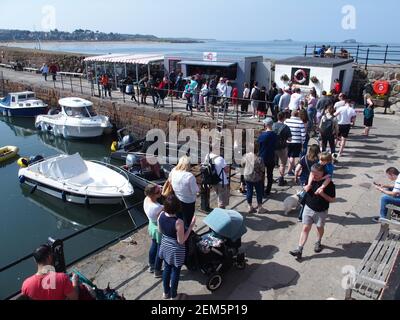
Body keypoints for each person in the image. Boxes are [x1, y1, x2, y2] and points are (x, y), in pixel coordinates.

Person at [290, 164, 336, 260]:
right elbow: (305, 188)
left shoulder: (330, 184)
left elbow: (332, 200)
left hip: (321, 211)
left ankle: (318, 241)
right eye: (313, 174)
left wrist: (322, 193)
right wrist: (305, 188)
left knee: (319, 227)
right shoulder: (311, 178)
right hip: (308, 207)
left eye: (317, 175)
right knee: (305, 228)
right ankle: (299, 249)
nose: (314, 176)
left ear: (323, 173)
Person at [158, 195, 196, 300]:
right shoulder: (178, 222)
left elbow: (160, 230)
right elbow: (181, 240)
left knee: (166, 269)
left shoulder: (161, 215)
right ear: (177, 208)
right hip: (175, 250)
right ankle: (174, 296)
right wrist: (191, 226)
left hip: (165, 245)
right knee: (175, 271)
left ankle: (166, 293)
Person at [169, 156, 199, 229]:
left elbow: (170, 180)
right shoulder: (189, 176)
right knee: (188, 220)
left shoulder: (173, 170)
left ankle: (180, 231)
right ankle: (187, 234)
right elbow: (195, 190)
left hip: (177, 198)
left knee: (179, 217)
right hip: (188, 201)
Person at [144, 184, 164, 278]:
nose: (160, 192)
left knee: (154, 245)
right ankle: (157, 270)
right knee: (160, 249)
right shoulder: (157, 207)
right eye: (158, 192)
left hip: (151, 225)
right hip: (158, 229)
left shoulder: (146, 200)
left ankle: (151, 265)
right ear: (152, 195)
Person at [241, 143, 267, 214]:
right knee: (259, 192)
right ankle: (260, 207)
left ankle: (250, 206)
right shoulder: (259, 159)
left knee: (249, 191)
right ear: (257, 149)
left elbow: (242, 165)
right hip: (257, 178)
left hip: (247, 176)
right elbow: (262, 169)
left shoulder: (245, 156)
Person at [258, 118, 277, 196]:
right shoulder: (275, 135)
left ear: (266, 125)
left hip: (262, 157)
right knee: (270, 175)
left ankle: (261, 191)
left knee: (261, 175)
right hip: (271, 157)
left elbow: (259, 145)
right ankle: (268, 191)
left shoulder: (262, 135)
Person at [273, 112, 292, 186]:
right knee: (282, 164)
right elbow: (290, 139)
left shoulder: (273, 125)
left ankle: (270, 177)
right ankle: (281, 179)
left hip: (273, 147)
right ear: (284, 117)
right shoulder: (286, 127)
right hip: (282, 147)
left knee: (271, 164)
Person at [285, 110, 307, 176]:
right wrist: (303, 142)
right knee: (292, 156)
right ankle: (289, 171)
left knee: (290, 156)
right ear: (297, 115)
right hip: (297, 142)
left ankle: (291, 168)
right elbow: (303, 134)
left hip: (288, 141)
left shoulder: (286, 121)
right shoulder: (300, 122)